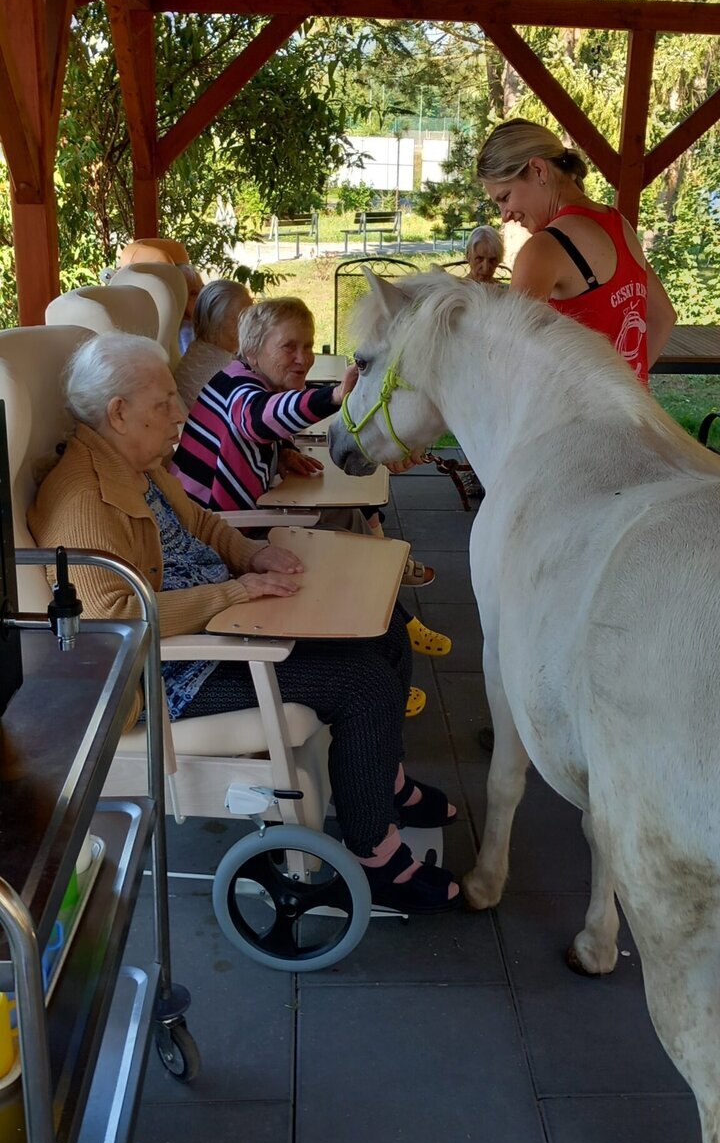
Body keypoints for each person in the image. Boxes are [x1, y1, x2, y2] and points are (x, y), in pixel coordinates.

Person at [29, 334, 459, 912]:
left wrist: (252, 556)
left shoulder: (134, 464)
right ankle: (375, 858)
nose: (180, 413)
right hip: (174, 673)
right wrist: (231, 593)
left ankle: (383, 784)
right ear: (119, 412)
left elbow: (204, 524)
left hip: (222, 621)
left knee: (385, 631)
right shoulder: (83, 499)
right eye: (164, 403)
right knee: (363, 682)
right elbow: (114, 619)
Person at [172, 296, 443, 611]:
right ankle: (383, 610)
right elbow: (256, 418)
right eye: (288, 347)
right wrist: (334, 396)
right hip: (215, 531)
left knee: (348, 515)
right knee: (339, 541)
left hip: (236, 514)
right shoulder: (238, 390)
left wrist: (284, 451)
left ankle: (384, 589)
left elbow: (257, 429)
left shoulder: (242, 376)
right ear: (252, 352)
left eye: (308, 346)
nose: (303, 358)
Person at [477, 118, 677, 379]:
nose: (505, 215)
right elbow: (663, 317)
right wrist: (628, 387)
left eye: (505, 197)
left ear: (538, 170)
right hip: (629, 406)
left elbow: (509, 360)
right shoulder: (618, 223)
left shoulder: (544, 248)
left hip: (573, 408)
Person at [175, 278, 253, 411]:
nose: (251, 325)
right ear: (217, 320)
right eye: (242, 318)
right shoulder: (222, 370)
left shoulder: (199, 351)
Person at [177, 261, 205, 356]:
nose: (201, 296)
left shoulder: (197, 325)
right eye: (193, 293)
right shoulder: (186, 332)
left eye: (203, 289)